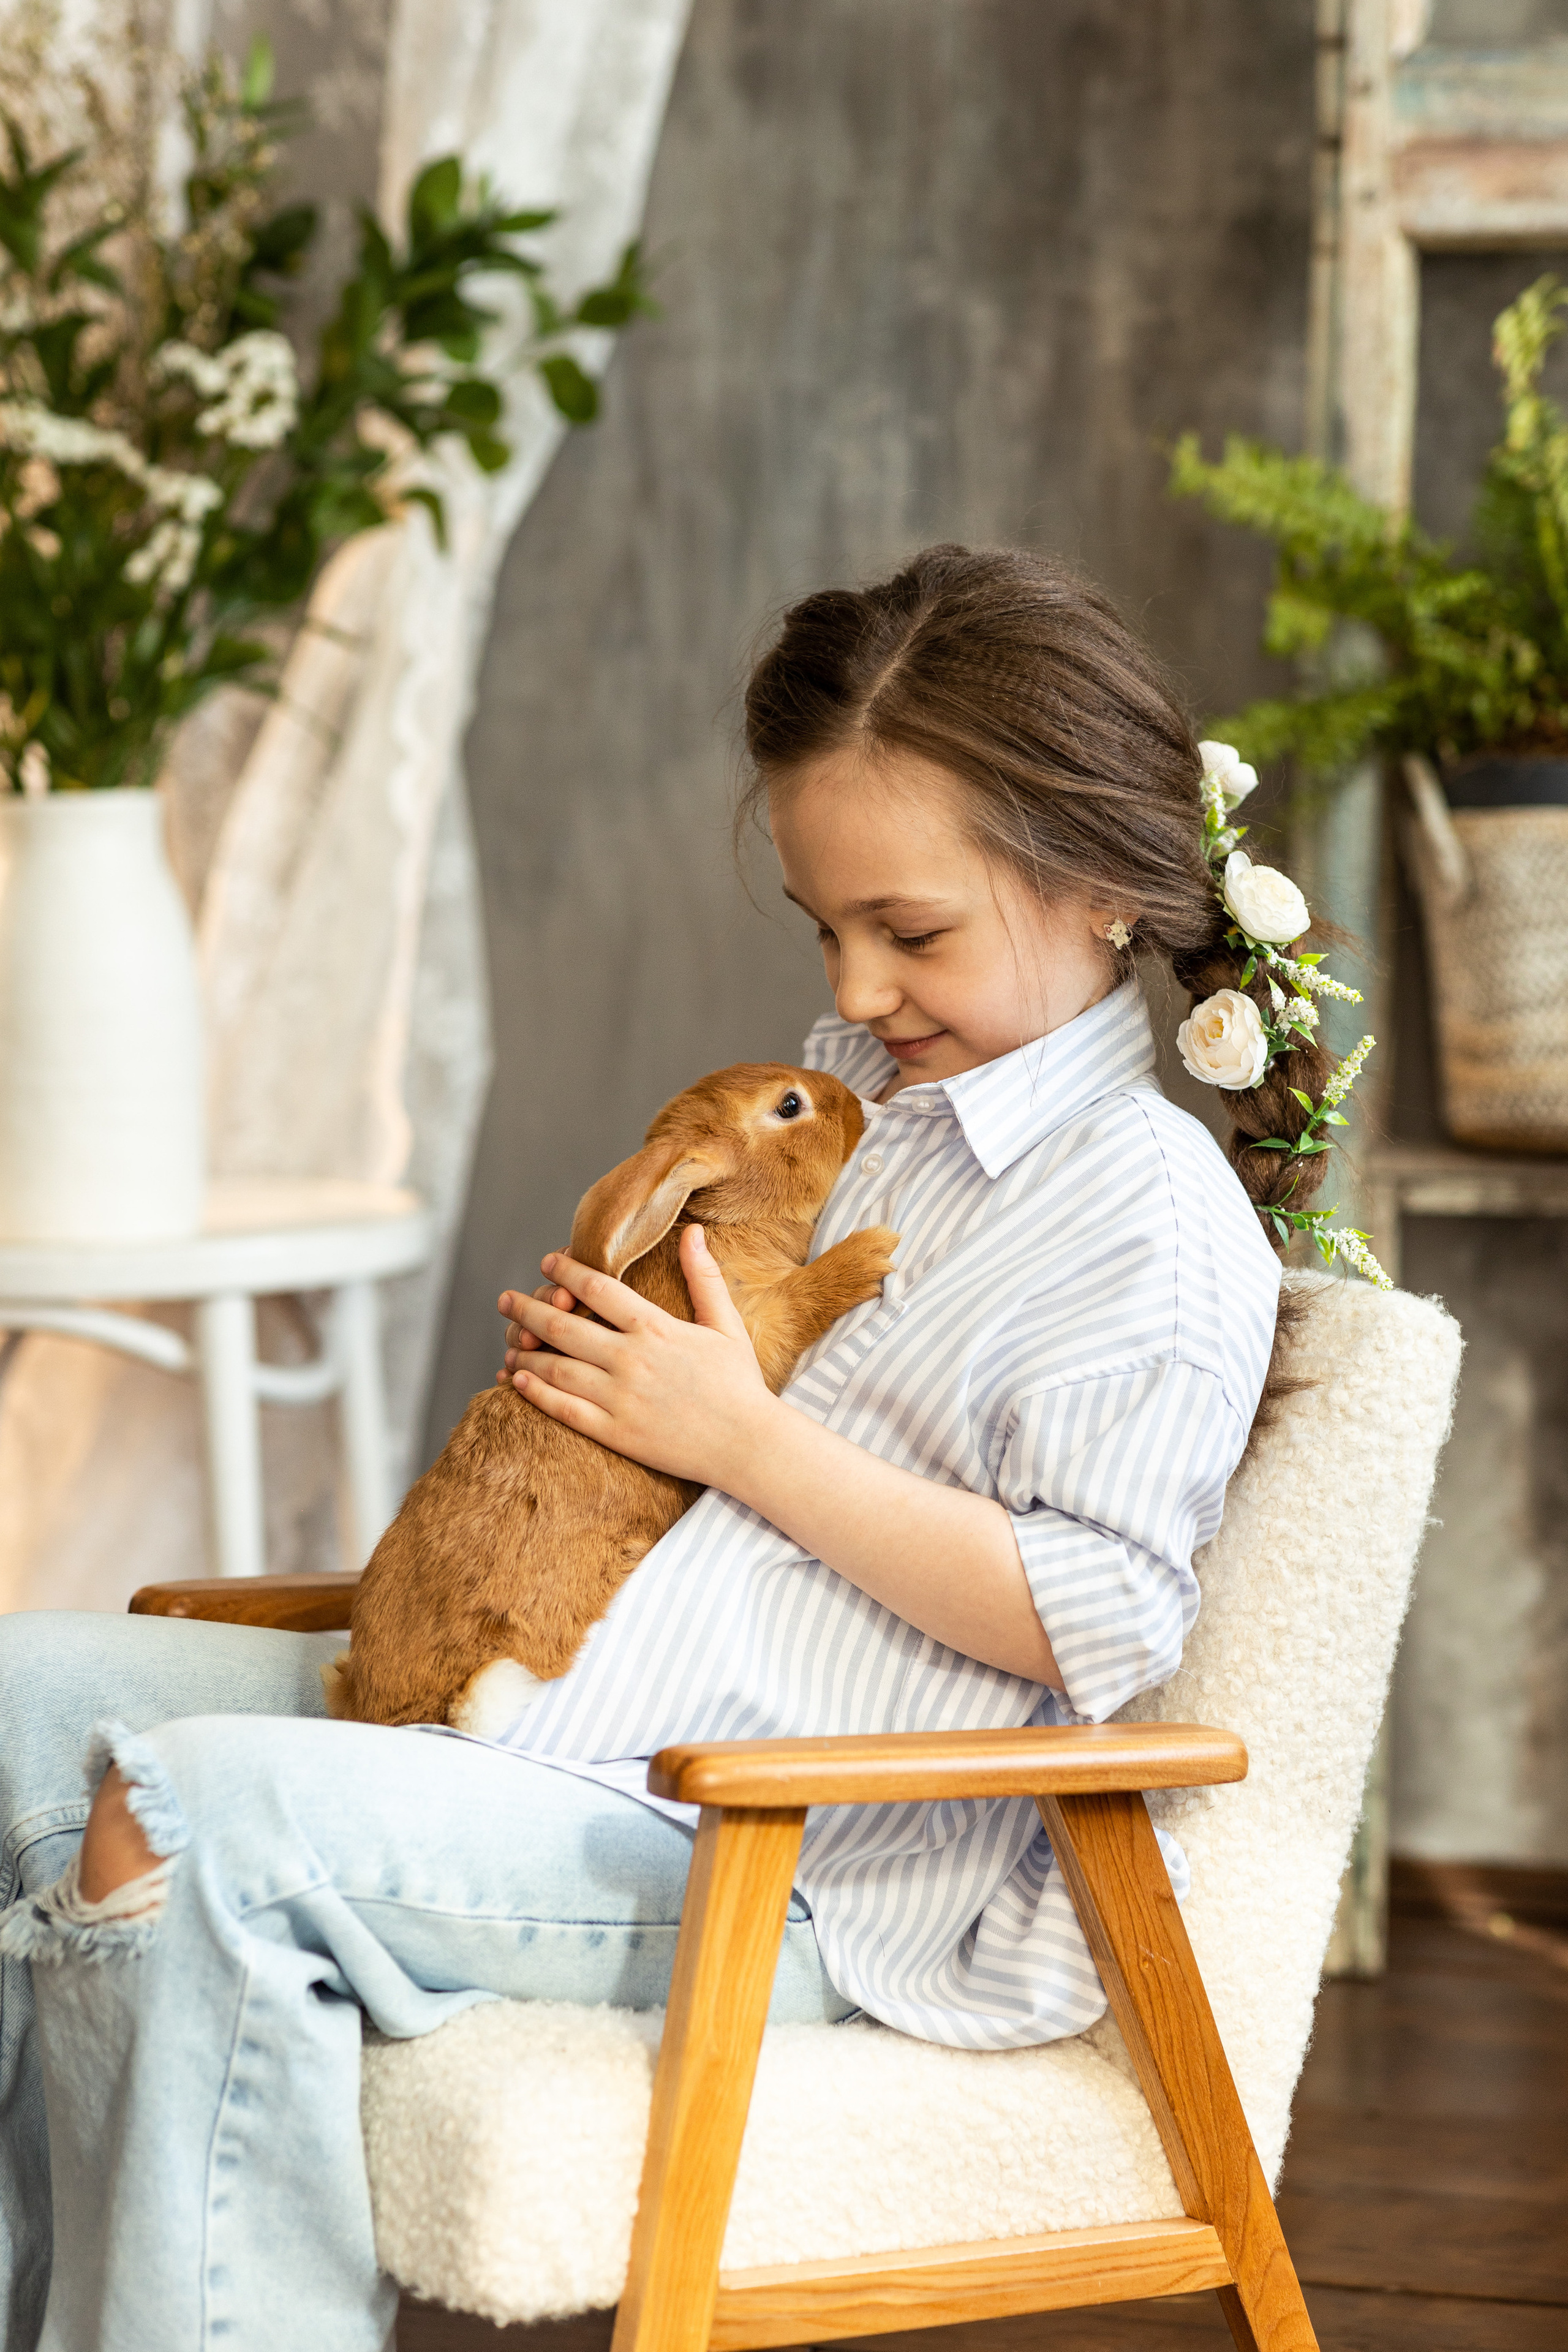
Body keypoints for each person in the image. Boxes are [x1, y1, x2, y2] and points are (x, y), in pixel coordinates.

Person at [0, 545, 1347, 2351]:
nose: (857, 987)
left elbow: (1101, 1616)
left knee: (181, 1817)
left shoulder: (1146, 1215)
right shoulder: (882, 1117)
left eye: (913, 931)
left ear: (1104, 886)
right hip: (558, 1716)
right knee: (17, 1692)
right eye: (825, 928)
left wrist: (739, 1438)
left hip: (766, 1853)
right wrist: (596, 1409)